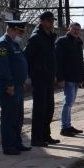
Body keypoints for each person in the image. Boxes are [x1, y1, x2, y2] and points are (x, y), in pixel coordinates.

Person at [0, 20, 30, 155]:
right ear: (11, 29)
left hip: (17, 85)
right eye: (18, 31)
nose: (19, 34)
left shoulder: (13, 43)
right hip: (9, 86)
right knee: (9, 116)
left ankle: (17, 143)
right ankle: (9, 146)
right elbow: (3, 67)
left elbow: (18, 63)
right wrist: (9, 84)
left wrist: (21, 81)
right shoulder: (3, 43)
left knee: (18, 116)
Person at [24, 11, 59, 147]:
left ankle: (45, 135)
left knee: (49, 108)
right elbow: (26, 56)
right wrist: (34, 72)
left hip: (49, 77)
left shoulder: (50, 37)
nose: (52, 23)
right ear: (42, 22)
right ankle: (36, 138)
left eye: (52, 21)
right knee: (39, 109)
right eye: (49, 21)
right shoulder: (36, 38)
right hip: (39, 78)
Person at [55, 22, 84, 136]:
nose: (76, 31)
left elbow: (80, 61)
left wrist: (82, 77)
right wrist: (60, 78)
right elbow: (58, 61)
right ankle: (64, 128)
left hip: (76, 77)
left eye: (78, 29)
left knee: (71, 103)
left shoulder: (78, 42)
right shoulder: (62, 41)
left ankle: (68, 125)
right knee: (67, 102)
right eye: (74, 29)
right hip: (67, 78)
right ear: (69, 29)